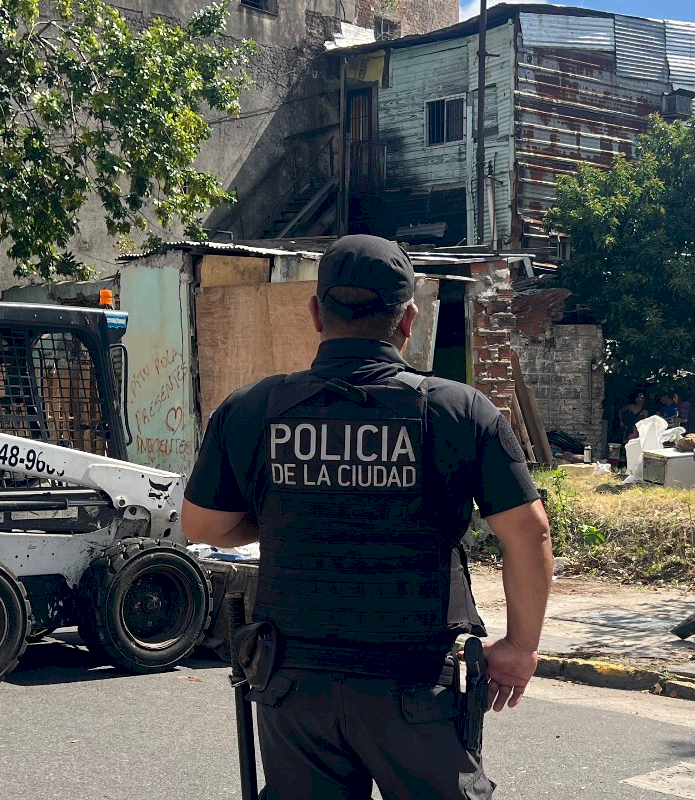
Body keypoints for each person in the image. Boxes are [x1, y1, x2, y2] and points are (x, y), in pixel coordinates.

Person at [182, 235, 553, 800]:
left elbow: (204, 527)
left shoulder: (250, 408)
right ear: (408, 319)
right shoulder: (460, 410)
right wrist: (520, 648)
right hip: (413, 685)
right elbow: (528, 532)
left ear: (316, 313)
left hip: (293, 684)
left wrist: (284, 513)